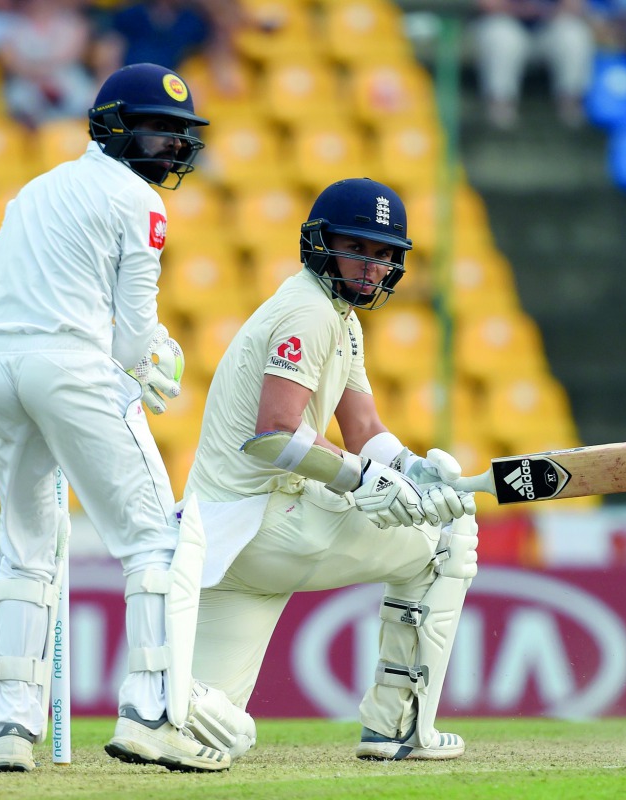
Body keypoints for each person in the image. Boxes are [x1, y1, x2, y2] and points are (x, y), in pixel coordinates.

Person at [0, 62, 249, 773]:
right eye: (158, 130)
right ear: (114, 125)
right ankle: (152, 715)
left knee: (28, 544)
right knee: (158, 538)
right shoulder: (139, 202)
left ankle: (7, 730)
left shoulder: (36, 190)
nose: (172, 148)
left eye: (180, 135)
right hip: (73, 366)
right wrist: (152, 360)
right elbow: (131, 337)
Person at [178, 177, 480, 762]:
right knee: (447, 537)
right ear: (320, 243)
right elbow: (274, 435)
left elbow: (364, 431)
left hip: (222, 542)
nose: (373, 267)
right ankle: (399, 726)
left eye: (385, 255)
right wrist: (365, 479)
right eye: (359, 249)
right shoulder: (310, 313)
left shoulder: (338, 317)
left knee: (200, 729)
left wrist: (414, 471)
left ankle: (159, 721)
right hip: (271, 518)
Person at [470, 0, 598, 130]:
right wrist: (523, 9)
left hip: (549, 24)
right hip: (506, 21)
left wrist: (546, 11)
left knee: (573, 33)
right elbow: (487, 5)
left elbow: (575, 6)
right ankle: (499, 105)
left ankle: (571, 104)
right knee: (501, 35)